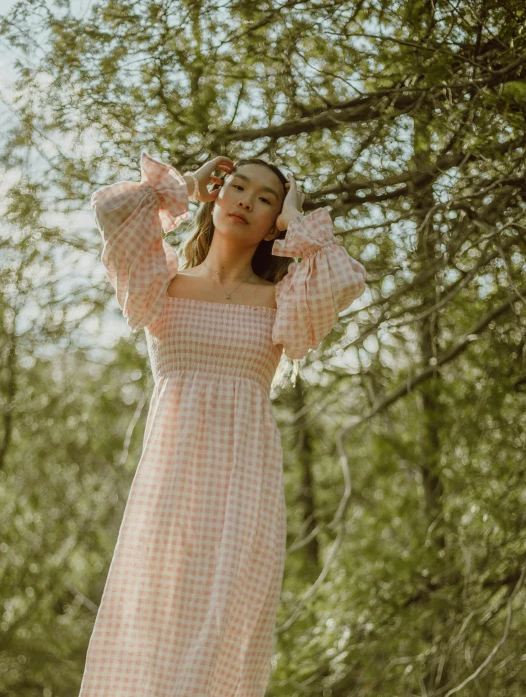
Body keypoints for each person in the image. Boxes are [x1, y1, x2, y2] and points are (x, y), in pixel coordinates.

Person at [78, 151, 367, 697]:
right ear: (216, 195)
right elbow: (113, 211)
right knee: (154, 637)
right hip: (170, 494)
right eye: (237, 187)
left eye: (265, 200)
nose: (247, 202)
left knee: (220, 636)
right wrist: (183, 187)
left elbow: (344, 276)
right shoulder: (161, 284)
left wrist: (296, 222)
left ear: (272, 223)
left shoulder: (286, 300)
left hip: (243, 490)